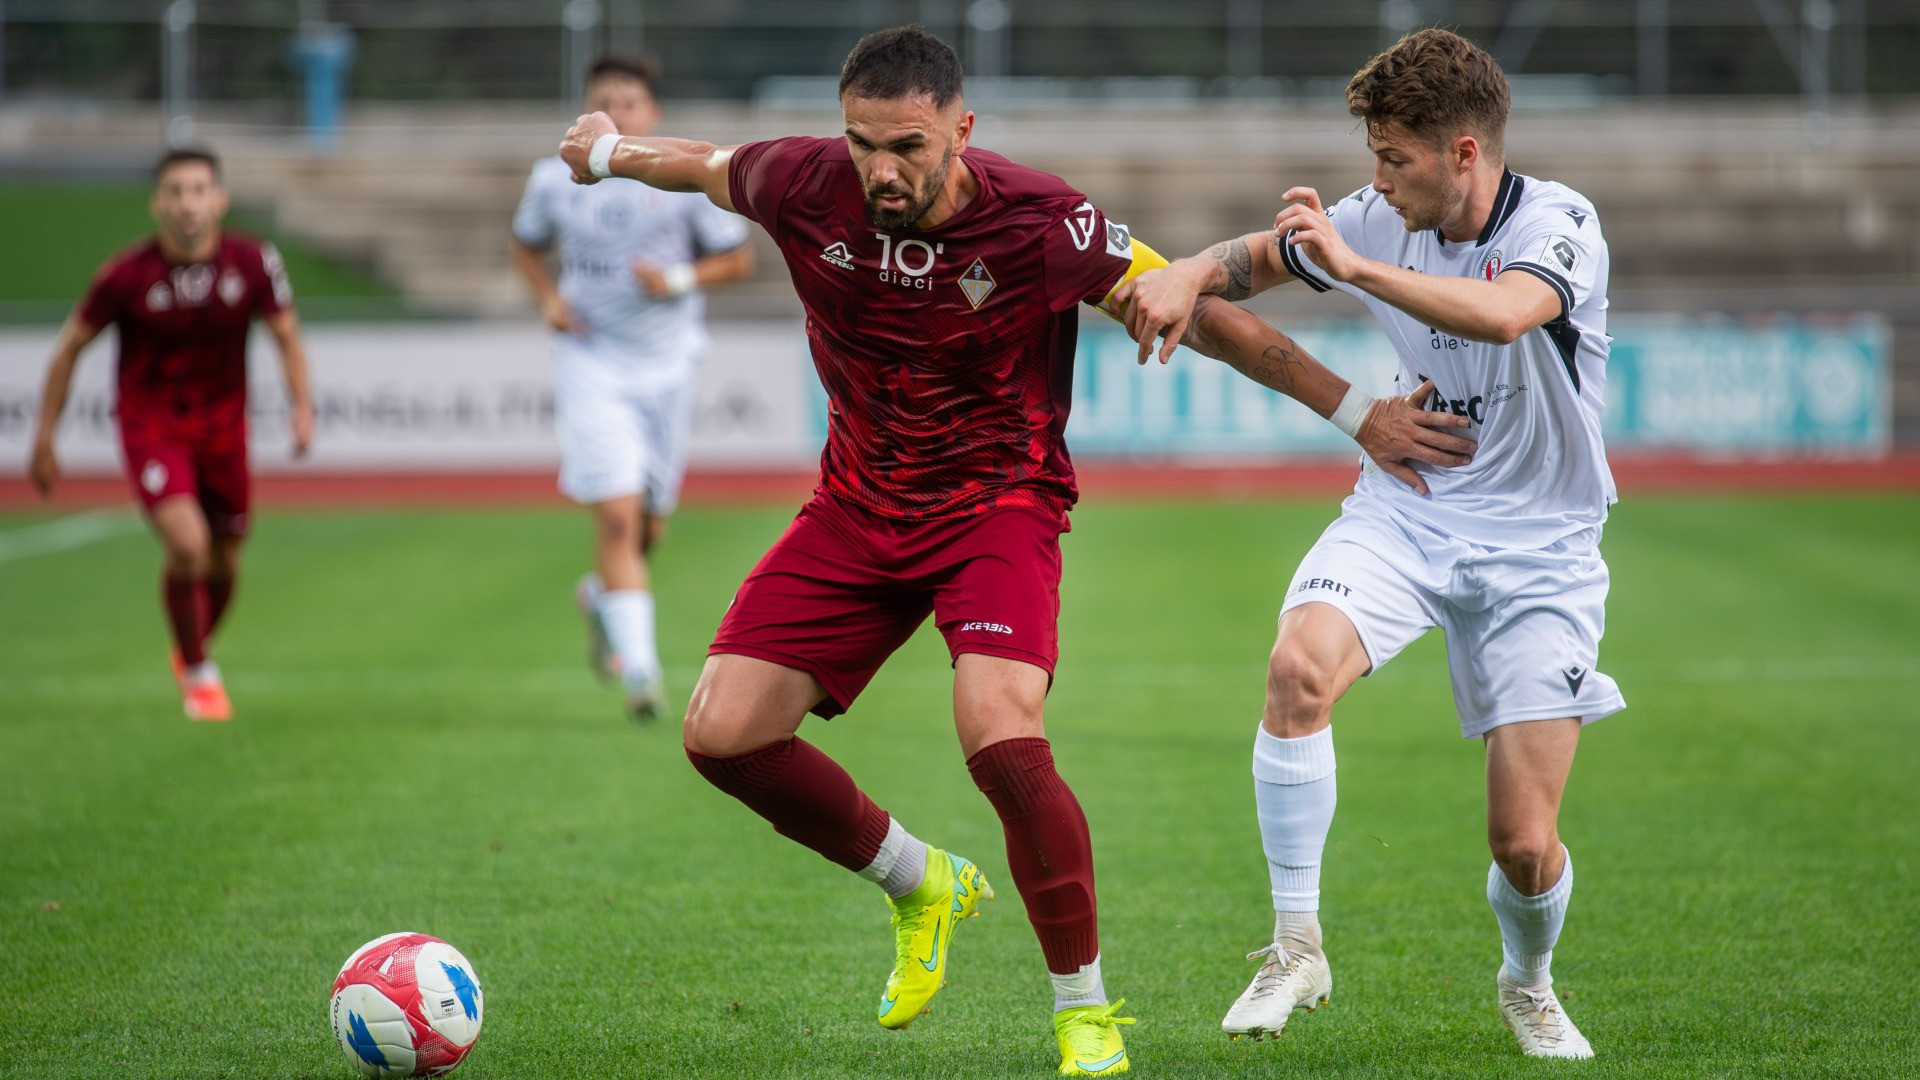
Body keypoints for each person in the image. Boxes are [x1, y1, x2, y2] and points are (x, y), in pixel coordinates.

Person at [556, 25, 1469, 1075]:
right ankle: (921, 883)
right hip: (856, 506)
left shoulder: (1042, 222)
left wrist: (1359, 414)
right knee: (722, 735)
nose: (882, 170)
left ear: (961, 129)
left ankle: (1083, 1010)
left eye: (908, 146)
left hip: (997, 505)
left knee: (999, 734)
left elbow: (1208, 319)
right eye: (864, 143)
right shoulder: (803, 181)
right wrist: (604, 153)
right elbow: (701, 164)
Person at [1116, 27, 1623, 1060]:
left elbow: (1505, 314)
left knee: (1524, 846)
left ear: (1464, 153)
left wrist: (1353, 266)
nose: (1378, 181)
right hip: (1411, 507)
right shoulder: (1377, 217)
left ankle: (1528, 982)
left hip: (1541, 547)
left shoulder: (1560, 223)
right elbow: (1256, 260)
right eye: (1373, 158)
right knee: (1297, 668)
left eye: (1395, 160)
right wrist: (1188, 274)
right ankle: (1295, 945)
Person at [28, 147, 314, 723]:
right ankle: (200, 674)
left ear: (219, 200)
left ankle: (190, 647)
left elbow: (286, 334)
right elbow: (68, 350)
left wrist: (302, 406)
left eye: (199, 190)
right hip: (152, 424)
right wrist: (45, 436)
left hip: (224, 427)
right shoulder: (125, 275)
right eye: (176, 191)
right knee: (188, 546)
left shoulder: (253, 261)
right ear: (158, 203)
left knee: (224, 559)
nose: (188, 203)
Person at [510, 54, 755, 721]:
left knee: (648, 528)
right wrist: (548, 300)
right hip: (591, 360)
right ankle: (642, 676)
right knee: (616, 517)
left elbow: (738, 259)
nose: (616, 114)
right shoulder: (553, 180)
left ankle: (601, 597)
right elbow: (525, 244)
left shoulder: (682, 182)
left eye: (629, 103)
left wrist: (675, 280)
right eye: (604, 102)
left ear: (652, 113)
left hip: (668, 365)